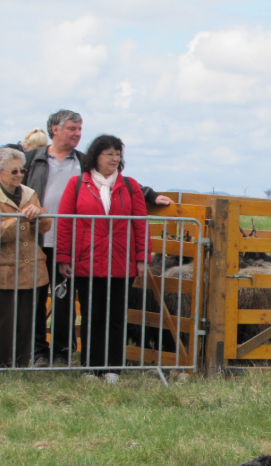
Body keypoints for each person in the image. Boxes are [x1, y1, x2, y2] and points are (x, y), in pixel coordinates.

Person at [24, 109, 171, 368]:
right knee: (34, 300)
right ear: (55, 129)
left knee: (65, 301)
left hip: (74, 246)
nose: (78, 134)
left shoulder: (83, 163)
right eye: (72, 128)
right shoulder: (32, 159)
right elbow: (14, 184)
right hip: (35, 240)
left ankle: (62, 352)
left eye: (80, 129)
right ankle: (37, 353)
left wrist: (152, 195)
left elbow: (123, 186)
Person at [55, 135, 152, 383]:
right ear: (95, 156)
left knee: (117, 316)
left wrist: (142, 257)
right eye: (109, 153)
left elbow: (141, 225)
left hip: (121, 262)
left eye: (118, 153)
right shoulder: (77, 184)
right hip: (87, 261)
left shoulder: (130, 186)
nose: (114, 158)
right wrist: (64, 256)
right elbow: (65, 223)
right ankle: (90, 367)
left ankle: (112, 369)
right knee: (90, 315)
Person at [0, 148, 50, 367]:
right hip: (5, 271)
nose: (19, 174)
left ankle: (21, 365)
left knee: (26, 322)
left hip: (32, 271)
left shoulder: (29, 193)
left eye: (22, 170)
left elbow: (45, 226)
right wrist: (21, 218)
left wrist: (39, 215)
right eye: (14, 171)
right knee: (5, 322)